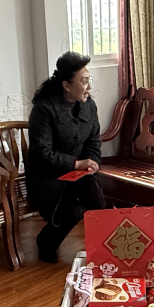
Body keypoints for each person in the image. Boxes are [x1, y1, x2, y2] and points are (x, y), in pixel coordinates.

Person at [26, 51, 105, 263]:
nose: (89, 87)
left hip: (77, 173)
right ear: (66, 85)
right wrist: (76, 163)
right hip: (47, 177)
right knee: (72, 212)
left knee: (94, 190)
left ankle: (107, 247)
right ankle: (45, 242)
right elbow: (41, 153)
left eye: (89, 80)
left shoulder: (89, 106)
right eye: (83, 81)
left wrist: (92, 162)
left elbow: (94, 141)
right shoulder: (44, 109)